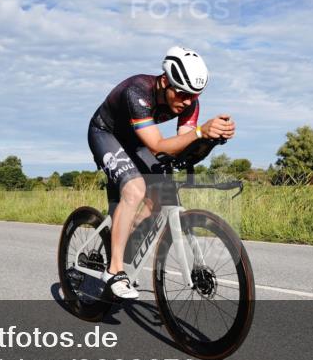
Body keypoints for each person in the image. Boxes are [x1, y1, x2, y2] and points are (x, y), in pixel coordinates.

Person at [87, 46, 235, 300]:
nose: (187, 101)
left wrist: (211, 140)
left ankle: (119, 239)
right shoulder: (138, 91)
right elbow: (157, 146)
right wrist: (201, 131)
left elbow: (181, 145)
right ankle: (113, 270)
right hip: (106, 133)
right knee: (135, 189)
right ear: (165, 81)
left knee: (159, 196)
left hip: (137, 140)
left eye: (194, 95)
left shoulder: (188, 101)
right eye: (182, 94)